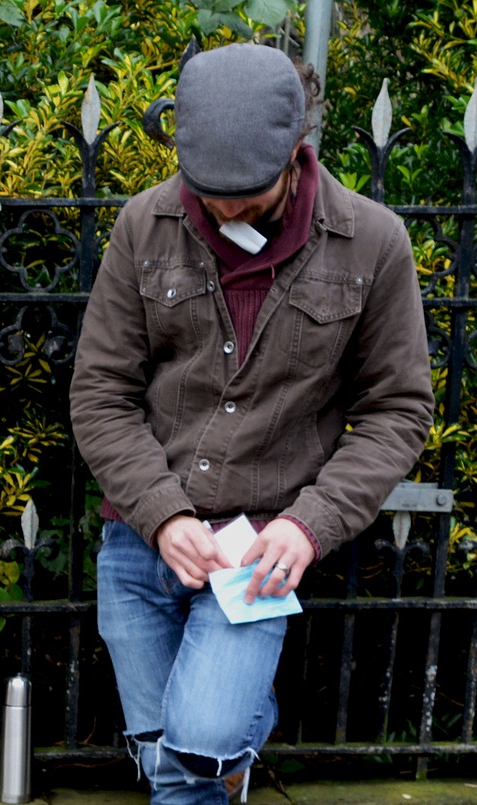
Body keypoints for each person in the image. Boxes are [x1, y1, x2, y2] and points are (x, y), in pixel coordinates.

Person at [68, 42, 435, 804]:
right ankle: (231, 732)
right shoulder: (144, 223)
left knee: (193, 760)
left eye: (245, 191)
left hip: (260, 556)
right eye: (208, 189)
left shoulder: (373, 242)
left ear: (297, 150)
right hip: (141, 540)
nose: (224, 207)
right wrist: (163, 515)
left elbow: (399, 410)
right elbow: (100, 391)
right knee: (162, 757)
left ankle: (225, 736)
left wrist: (310, 524)